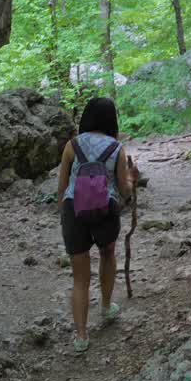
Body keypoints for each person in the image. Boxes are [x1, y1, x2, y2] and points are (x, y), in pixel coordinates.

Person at [56, 97, 138, 354]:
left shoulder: (72, 145)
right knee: (107, 253)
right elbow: (124, 191)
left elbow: (61, 187)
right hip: (105, 210)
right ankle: (105, 306)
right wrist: (133, 181)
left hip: (74, 209)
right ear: (111, 119)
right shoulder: (116, 148)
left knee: (79, 278)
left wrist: (65, 213)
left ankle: (81, 336)